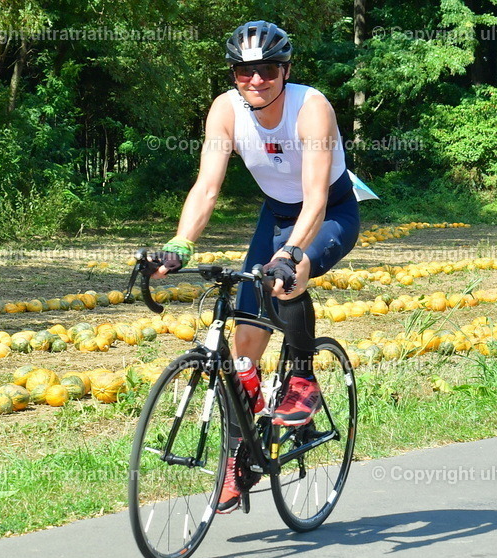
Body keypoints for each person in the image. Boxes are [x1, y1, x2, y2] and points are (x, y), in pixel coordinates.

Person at [149, 20, 377, 512]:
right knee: (243, 351)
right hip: (274, 215)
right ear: (233, 74)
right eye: (244, 71)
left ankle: (302, 379)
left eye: (268, 70)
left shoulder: (310, 108)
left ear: (285, 71)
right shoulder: (225, 111)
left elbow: (315, 199)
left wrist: (290, 254)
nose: (256, 80)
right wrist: (180, 244)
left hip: (329, 214)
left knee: (288, 278)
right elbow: (207, 187)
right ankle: (241, 458)